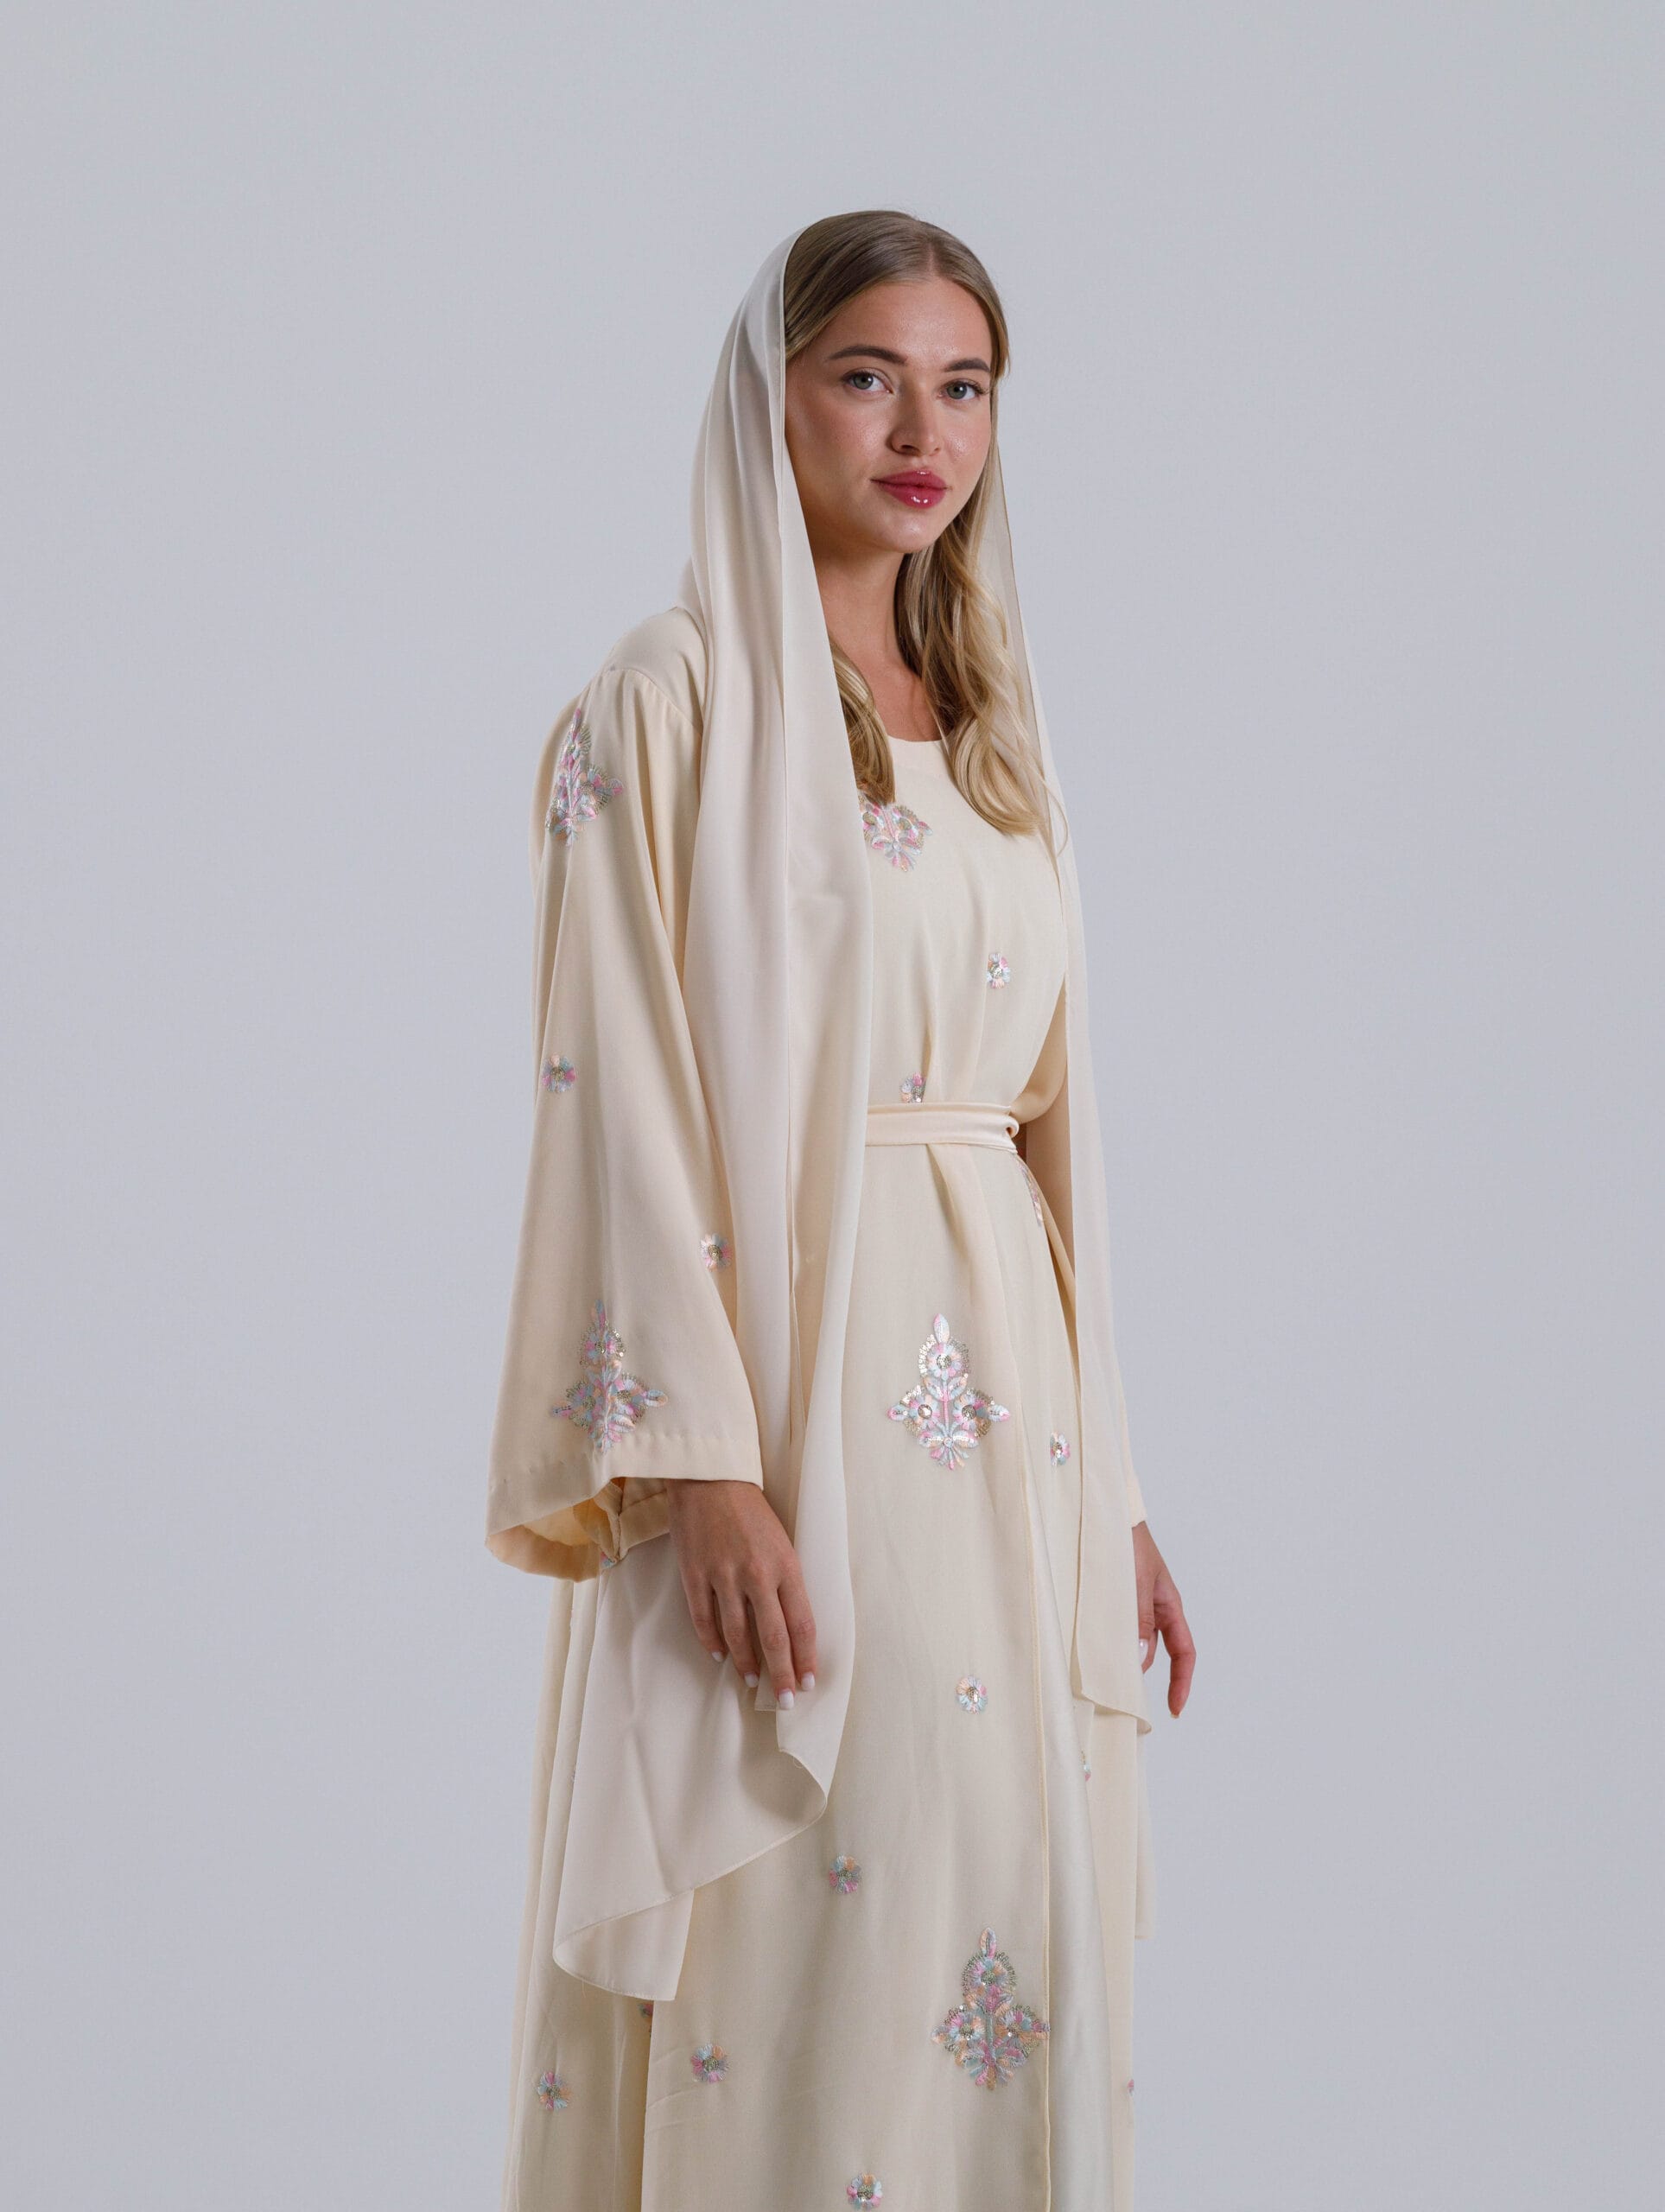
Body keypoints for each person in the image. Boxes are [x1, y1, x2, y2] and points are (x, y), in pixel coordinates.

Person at [484, 208, 1196, 2212]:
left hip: (1011, 1431)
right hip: (794, 1403)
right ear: (768, 395)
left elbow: (1053, 1133)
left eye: (962, 386)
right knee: (811, 1912)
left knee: (996, 1890)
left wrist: (1114, 1486)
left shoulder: (992, 725)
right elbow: (618, 1097)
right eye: (866, 376)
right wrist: (699, 1467)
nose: (919, 430)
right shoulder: (671, 700)